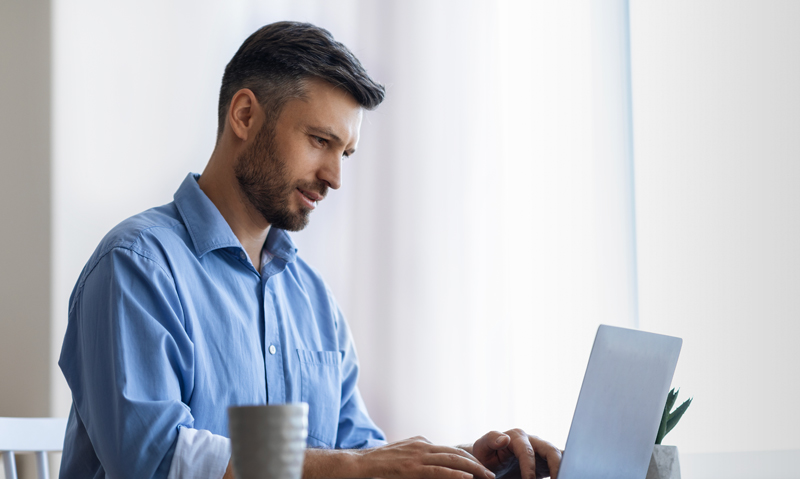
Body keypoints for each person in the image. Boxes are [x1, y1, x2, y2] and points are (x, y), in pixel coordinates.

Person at [58, 21, 562, 479]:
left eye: (345, 153)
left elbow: (361, 456)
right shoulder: (137, 266)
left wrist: (463, 462)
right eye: (320, 140)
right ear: (245, 114)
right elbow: (153, 457)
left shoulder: (312, 301)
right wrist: (352, 467)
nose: (335, 177)